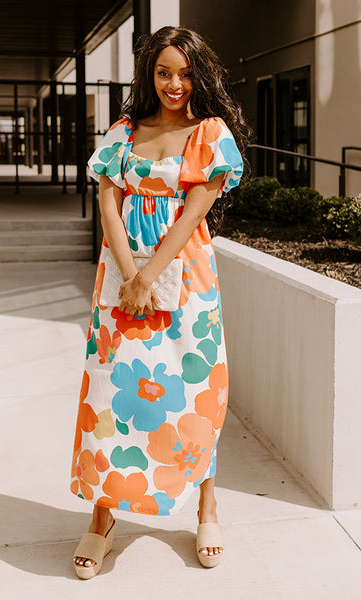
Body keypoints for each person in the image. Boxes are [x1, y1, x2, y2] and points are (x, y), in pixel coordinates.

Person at [71, 25, 249, 579]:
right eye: (164, 72)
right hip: (121, 284)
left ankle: (207, 507)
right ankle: (104, 516)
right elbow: (107, 200)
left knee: (197, 392)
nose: (175, 84)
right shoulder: (123, 132)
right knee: (109, 397)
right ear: (149, 74)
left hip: (186, 281)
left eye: (186, 72)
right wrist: (130, 275)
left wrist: (150, 273)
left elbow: (196, 209)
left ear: (201, 74)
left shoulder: (209, 133)